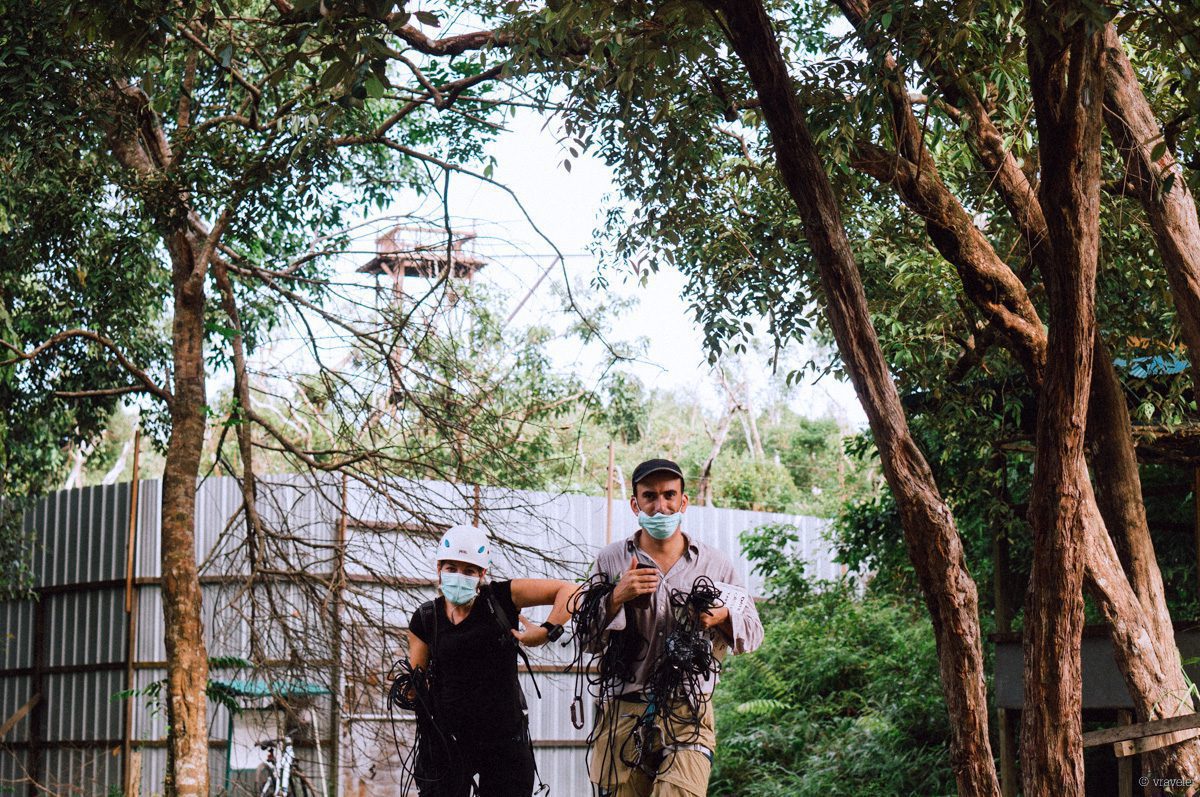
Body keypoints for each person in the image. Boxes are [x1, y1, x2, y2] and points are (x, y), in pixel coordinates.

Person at [586, 458, 764, 797]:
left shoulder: (714, 563)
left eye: (669, 495)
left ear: (683, 502)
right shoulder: (611, 560)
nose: (660, 506)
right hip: (624, 709)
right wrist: (615, 597)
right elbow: (587, 640)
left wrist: (723, 616)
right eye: (650, 496)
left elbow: (754, 633)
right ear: (635, 503)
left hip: (688, 711)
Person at [407, 523, 577, 797]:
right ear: (439, 569)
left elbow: (570, 590)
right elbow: (416, 680)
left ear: (482, 574)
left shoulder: (501, 598)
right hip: (447, 742)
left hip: (504, 742)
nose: (459, 576)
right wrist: (409, 690)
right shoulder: (426, 618)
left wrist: (546, 631)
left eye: (469, 570)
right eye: (451, 568)